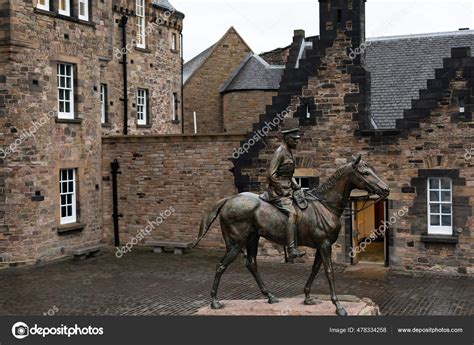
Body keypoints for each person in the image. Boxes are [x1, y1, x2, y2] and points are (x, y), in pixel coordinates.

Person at [266, 128, 306, 261]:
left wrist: (296, 185)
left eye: (297, 139)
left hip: (288, 188)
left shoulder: (289, 151)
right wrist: (281, 191)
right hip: (278, 192)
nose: (297, 141)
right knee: (292, 214)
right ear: (288, 139)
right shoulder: (280, 152)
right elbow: (271, 174)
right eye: (295, 139)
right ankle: (292, 249)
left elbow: (288, 174)